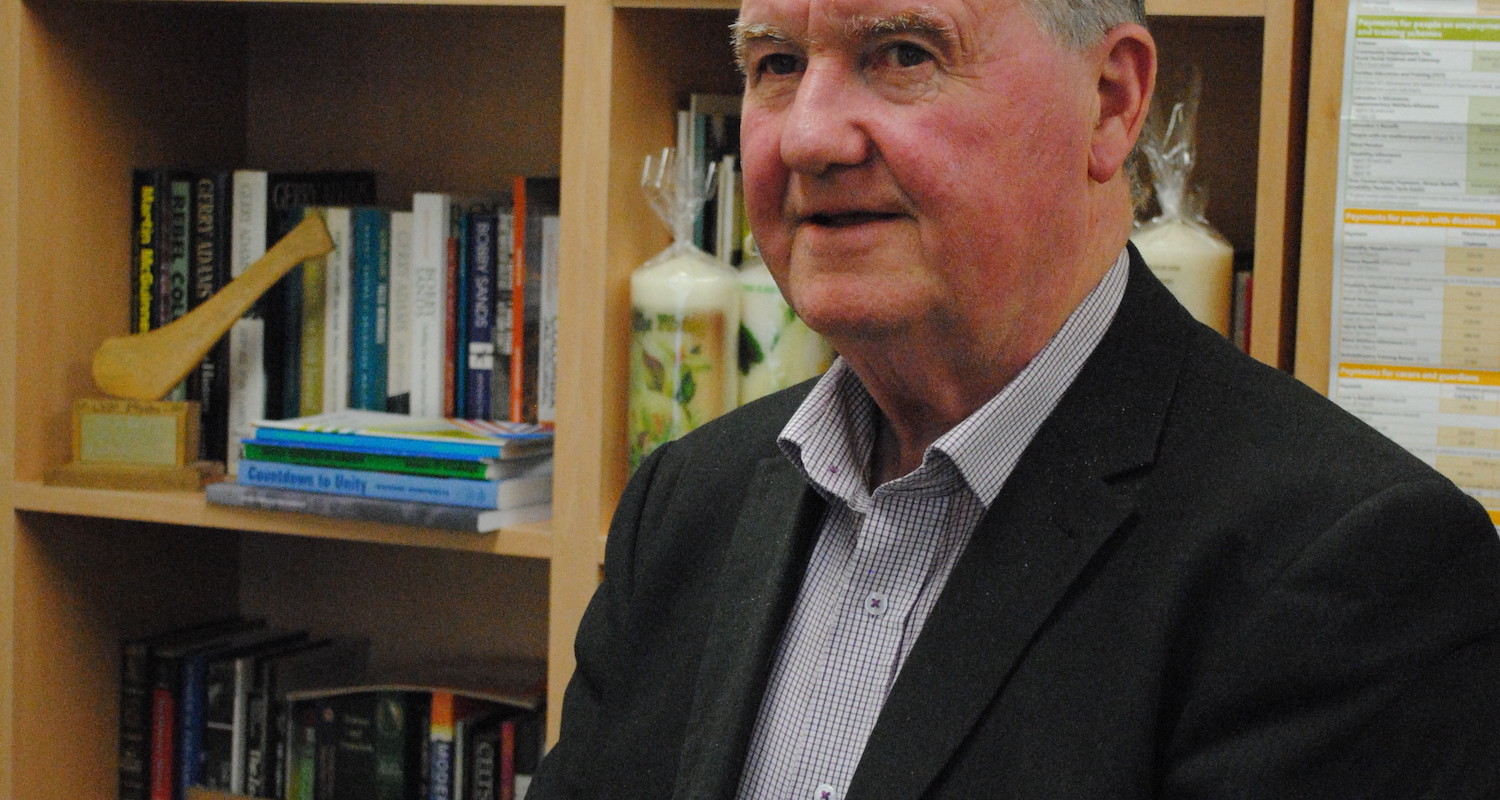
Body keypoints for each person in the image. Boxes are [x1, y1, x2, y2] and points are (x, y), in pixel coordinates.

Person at [530, 0, 1500, 796]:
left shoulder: (1351, 568)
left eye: (903, 53)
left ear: (1111, 104)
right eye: (776, 63)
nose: (810, 136)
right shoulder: (683, 503)